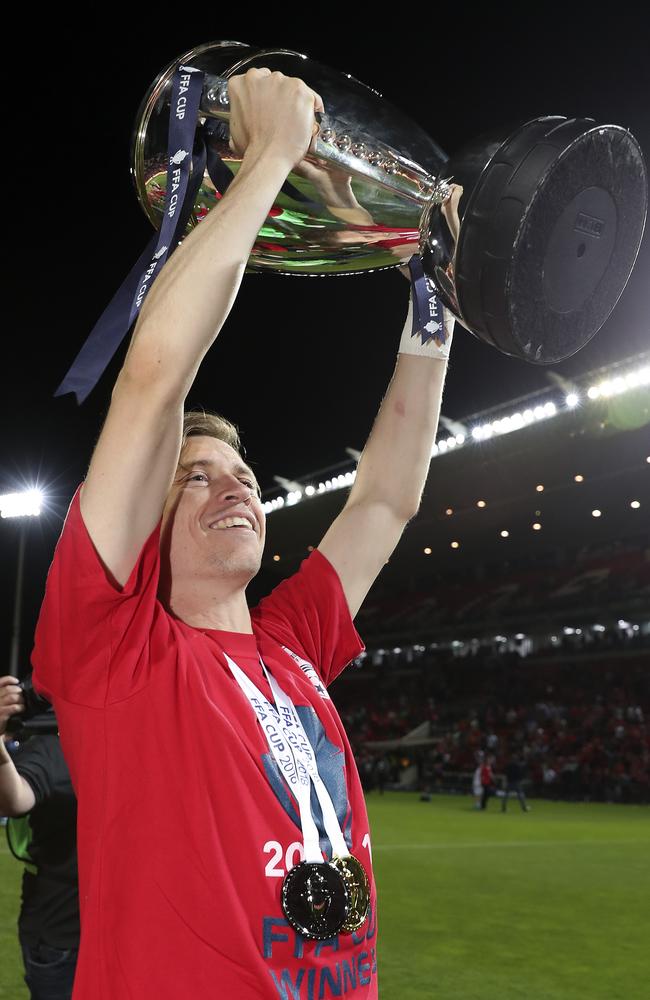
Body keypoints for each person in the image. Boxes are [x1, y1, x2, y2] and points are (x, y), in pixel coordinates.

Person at [31, 68, 454, 998]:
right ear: (145, 516)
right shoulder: (114, 649)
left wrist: (434, 304)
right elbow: (155, 379)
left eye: (245, 477)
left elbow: (384, 502)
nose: (235, 490)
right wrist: (267, 160)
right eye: (195, 477)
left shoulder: (291, 644)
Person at [0, 675, 79, 999]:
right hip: (62, 936)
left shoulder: (132, 746)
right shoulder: (52, 747)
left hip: (123, 932)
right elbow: (13, 799)